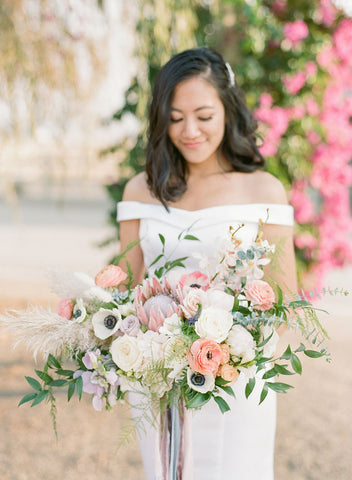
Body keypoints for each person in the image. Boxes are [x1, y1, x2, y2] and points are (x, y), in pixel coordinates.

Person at [117, 47, 297, 480]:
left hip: (236, 382)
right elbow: (124, 289)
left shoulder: (265, 190)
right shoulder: (140, 191)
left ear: (227, 110)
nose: (189, 131)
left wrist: (238, 355)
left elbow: (285, 300)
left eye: (203, 115)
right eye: (175, 118)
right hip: (156, 379)